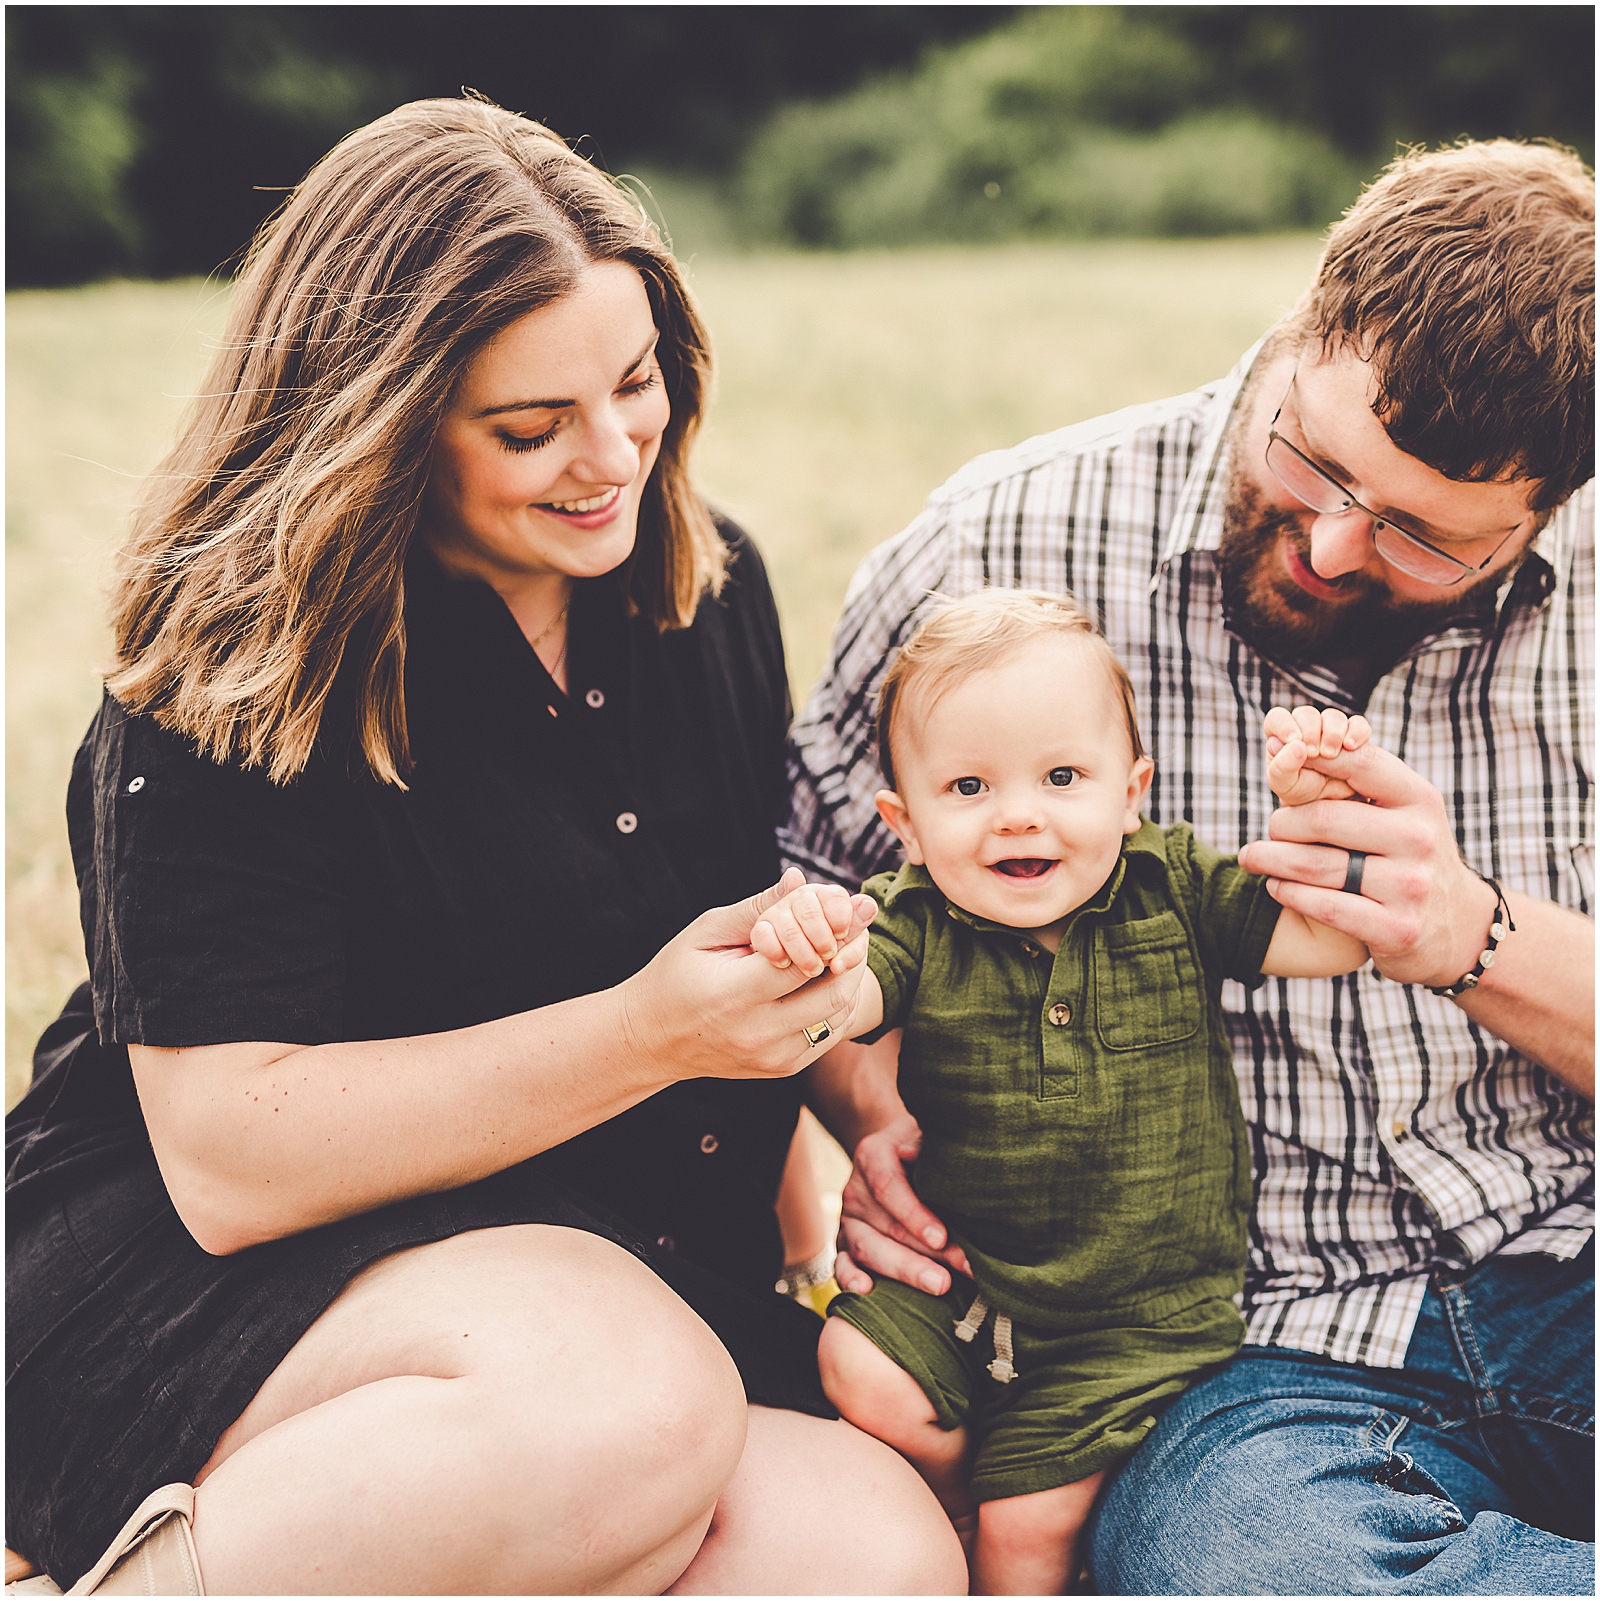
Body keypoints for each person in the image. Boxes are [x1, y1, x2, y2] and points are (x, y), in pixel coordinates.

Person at [4, 99, 964, 1596]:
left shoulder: (704, 591)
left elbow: (722, 918)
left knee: (868, 1555)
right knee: (629, 1404)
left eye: (637, 384)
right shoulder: (234, 674)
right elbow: (227, 1161)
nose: (611, 456)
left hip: (610, 1277)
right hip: (207, 1290)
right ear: (381, 427)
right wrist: (649, 1033)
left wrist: (855, 1108)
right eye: (529, 429)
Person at [786, 139, 1595, 1593]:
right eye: (1314, 458)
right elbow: (815, 913)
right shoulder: (994, 545)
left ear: (1541, 517)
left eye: (1421, 536)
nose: (1337, 546)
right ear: (1305, 326)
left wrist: (1475, 935)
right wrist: (867, 1109)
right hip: (1244, 1350)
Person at [753, 591, 1371, 1592]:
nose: (1019, 812)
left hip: (1133, 1314)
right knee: (855, 1367)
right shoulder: (914, 920)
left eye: (1061, 776)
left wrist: (1310, 813)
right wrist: (813, 950)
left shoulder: (1169, 886)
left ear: (1130, 793)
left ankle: (1000, 1526)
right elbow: (843, 1000)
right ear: (904, 825)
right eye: (967, 785)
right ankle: (951, 1496)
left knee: (1026, 1526)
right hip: (972, 1277)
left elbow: (1330, 937)